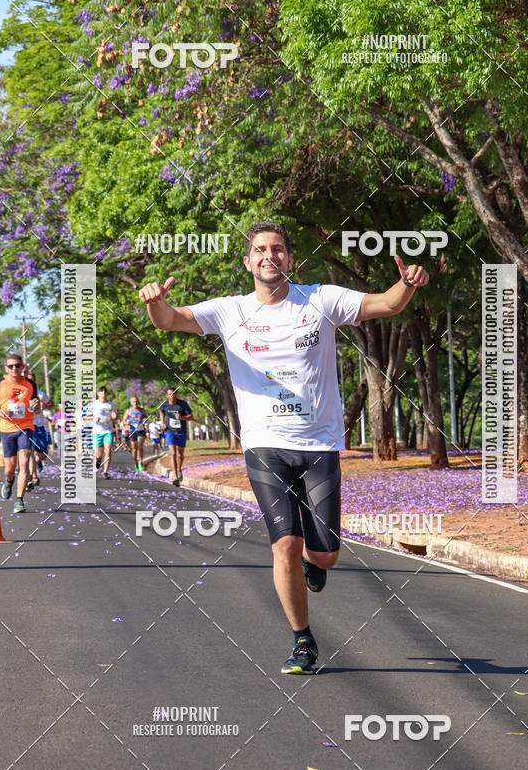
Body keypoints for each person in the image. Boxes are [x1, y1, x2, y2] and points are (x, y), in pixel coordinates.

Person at [139, 221, 429, 674]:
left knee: (325, 553)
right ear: (247, 261)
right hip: (264, 446)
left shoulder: (321, 300)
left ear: (289, 259)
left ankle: (318, 565)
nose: (268, 256)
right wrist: (156, 302)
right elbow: (172, 320)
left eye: (277, 249)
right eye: (259, 250)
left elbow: (384, 305)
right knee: (284, 546)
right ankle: (303, 641)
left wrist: (406, 284)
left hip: (319, 444)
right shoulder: (230, 311)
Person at [0, 354, 40, 513]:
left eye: (17, 365)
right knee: (9, 468)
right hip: (6, 428)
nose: (14, 369)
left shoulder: (30, 384)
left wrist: (36, 405)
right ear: (6, 368)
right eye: (11, 366)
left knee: (25, 459)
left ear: (22, 366)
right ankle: (9, 481)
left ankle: (19, 500)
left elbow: (36, 407)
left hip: (25, 427)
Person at [21, 366, 53, 487]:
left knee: (42, 454)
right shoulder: (23, 393)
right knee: (30, 452)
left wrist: (45, 405)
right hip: (29, 426)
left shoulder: (40, 394)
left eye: (32, 380)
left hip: (40, 426)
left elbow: (51, 405)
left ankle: (39, 462)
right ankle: (34, 476)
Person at [158, 387, 193, 486]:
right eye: (170, 394)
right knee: (173, 453)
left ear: (176, 395)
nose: (172, 396)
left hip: (181, 432)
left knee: (180, 454)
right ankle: (175, 476)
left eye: (174, 394)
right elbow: (161, 411)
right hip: (170, 432)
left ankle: (179, 469)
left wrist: (181, 417)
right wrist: (162, 422)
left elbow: (191, 417)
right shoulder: (164, 405)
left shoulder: (182, 404)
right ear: (167, 395)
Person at [93, 386, 118, 478]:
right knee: (98, 455)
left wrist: (114, 416)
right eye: (101, 391)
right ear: (98, 393)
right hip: (97, 431)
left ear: (106, 393)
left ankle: (105, 472)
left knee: (107, 451)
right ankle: (98, 462)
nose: (103, 392)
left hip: (108, 431)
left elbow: (115, 416)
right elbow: (86, 416)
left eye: (105, 391)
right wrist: (94, 419)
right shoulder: (94, 404)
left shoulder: (111, 405)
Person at [122, 396, 147, 471]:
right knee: (134, 448)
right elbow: (123, 420)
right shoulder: (128, 410)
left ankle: (140, 462)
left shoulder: (142, 410)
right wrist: (127, 422)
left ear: (138, 402)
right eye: (133, 402)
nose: (135, 403)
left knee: (140, 446)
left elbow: (145, 417)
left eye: (136, 401)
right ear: (131, 403)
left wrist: (145, 420)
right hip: (132, 430)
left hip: (140, 429)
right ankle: (136, 463)